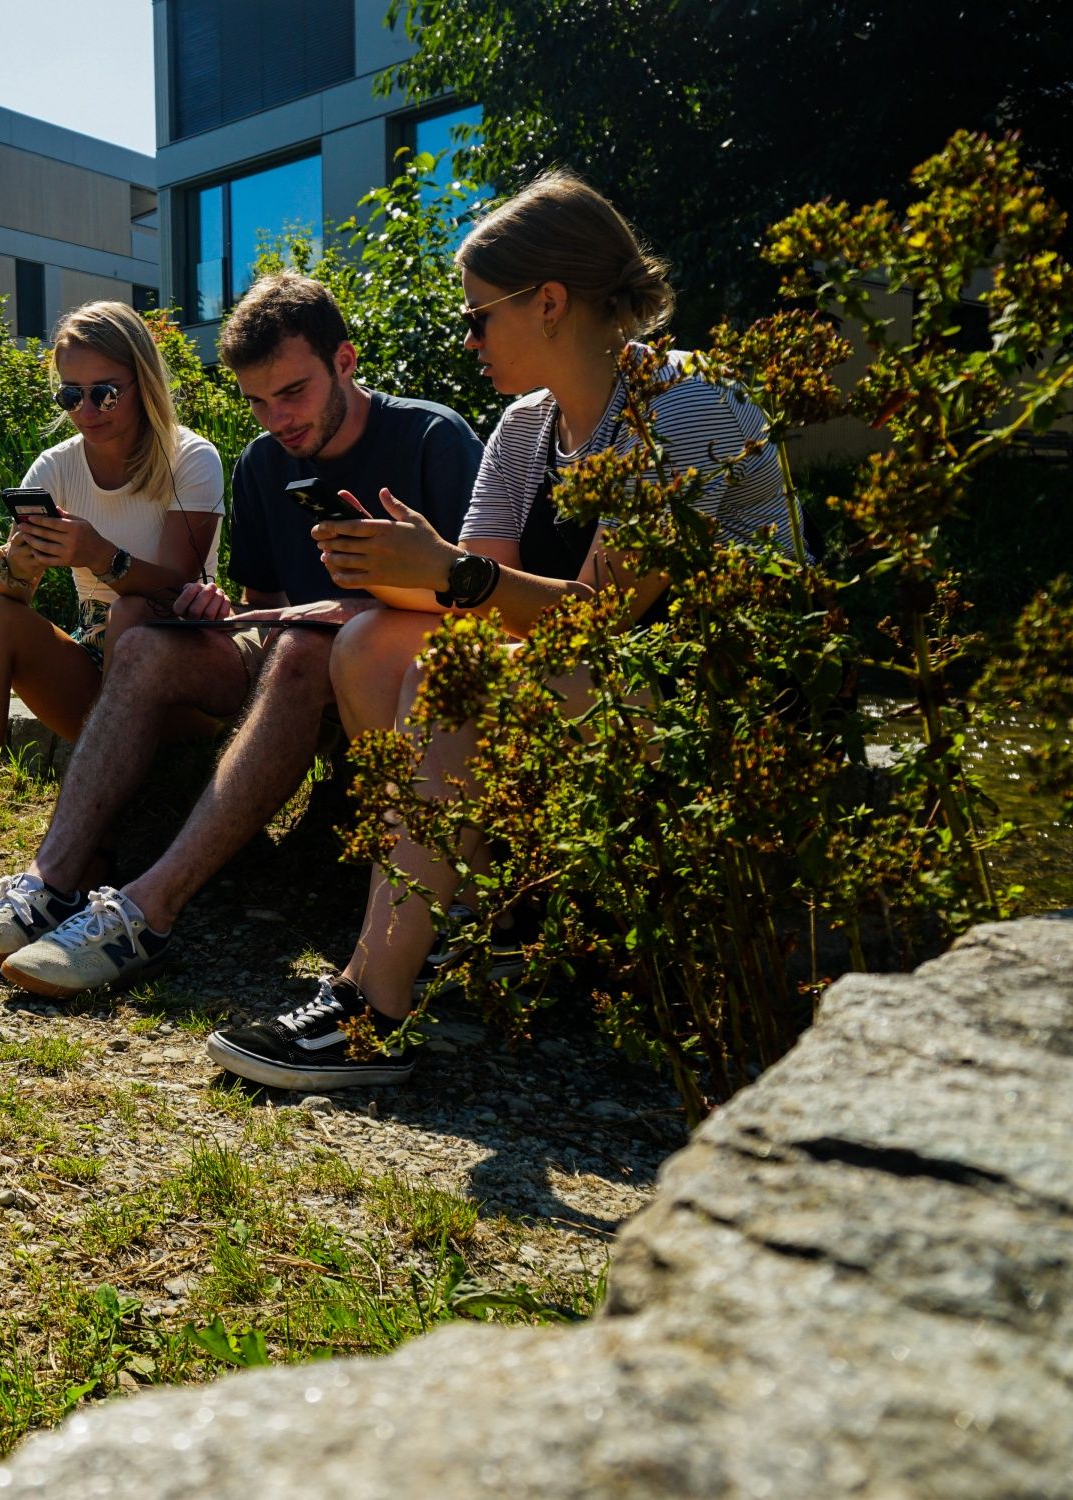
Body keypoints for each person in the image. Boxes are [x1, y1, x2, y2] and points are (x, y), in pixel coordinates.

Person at [205, 169, 803, 1091]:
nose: (469, 339)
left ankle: (374, 1003)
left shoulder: (683, 403)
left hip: (718, 697)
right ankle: (473, 923)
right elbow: (479, 600)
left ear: (550, 303)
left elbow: (598, 616)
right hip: (606, 680)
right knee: (369, 645)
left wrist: (449, 572)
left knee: (460, 674)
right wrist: (394, 567)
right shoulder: (527, 426)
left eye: (479, 316)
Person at [0, 271, 483, 992]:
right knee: (148, 642)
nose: (277, 418)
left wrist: (348, 614)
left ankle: (145, 911)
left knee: (297, 647)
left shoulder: (432, 437)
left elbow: (483, 599)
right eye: (257, 401)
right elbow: (264, 602)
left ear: (345, 361)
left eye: (293, 392)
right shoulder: (263, 463)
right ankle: (49, 883)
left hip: (380, 658)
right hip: (288, 651)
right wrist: (217, 613)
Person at [0, 300, 224, 905]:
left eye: (105, 393)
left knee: (131, 612)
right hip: (95, 672)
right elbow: (9, 597)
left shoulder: (190, 458)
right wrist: (16, 568)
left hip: (177, 679)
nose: (86, 411)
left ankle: (95, 838)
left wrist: (101, 555)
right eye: (70, 395)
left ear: (143, 382)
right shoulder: (55, 467)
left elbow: (178, 590)